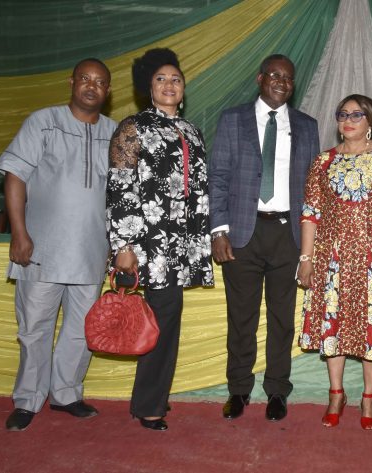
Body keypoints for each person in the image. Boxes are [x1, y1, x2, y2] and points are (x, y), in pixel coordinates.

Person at [0, 58, 116, 432]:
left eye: (100, 82)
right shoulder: (43, 122)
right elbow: (15, 177)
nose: (92, 86)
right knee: (34, 328)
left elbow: (124, 195)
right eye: (85, 79)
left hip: (91, 251)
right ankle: (28, 399)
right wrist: (19, 233)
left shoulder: (116, 132)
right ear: (71, 82)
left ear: (108, 90)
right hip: (41, 249)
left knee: (82, 328)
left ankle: (66, 394)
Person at [209, 54, 320, 422]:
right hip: (242, 232)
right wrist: (219, 229)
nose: (281, 82)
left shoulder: (307, 125)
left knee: (282, 318)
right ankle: (239, 389)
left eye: (288, 78)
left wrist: (310, 243)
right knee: (241, 317)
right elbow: (218, 176)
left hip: (288, 234)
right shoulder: (233, 119)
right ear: (260, 79)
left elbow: (313, 186)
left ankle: (277, 390)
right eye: (275, 75)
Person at [108, 48, 214, 431]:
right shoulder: (132, 128)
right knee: (162, 319)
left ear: (183, 89)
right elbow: (120, 190)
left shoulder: (192, 131)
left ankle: (151, 399)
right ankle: (150, 405)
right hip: (147, 245)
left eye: (176, 79)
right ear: (147, 88)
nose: (169, 84)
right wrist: (123, 247)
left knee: (165, 321)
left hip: (180, 246)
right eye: (160, 79)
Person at [297, 94, 372, 430]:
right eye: (342, 114)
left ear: (371, 121)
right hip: (331, 259)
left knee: (370, 328)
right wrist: (306, 258)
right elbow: (310, 212)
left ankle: (368, 397)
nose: (348, 120)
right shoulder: (323, 161)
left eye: (356, 114)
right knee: (332, 325)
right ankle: (336, 394)